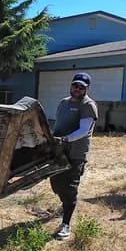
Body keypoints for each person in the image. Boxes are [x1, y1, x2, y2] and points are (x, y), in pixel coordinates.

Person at [49, 72, 98, 240]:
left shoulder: (88, 105)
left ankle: (66, 224)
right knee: (56, 183)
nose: (77, 89)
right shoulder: (63, 102)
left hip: (75, 152)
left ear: (87, 89)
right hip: (59, 150)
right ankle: (65, 205)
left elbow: (84, 130)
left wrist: (66, 139)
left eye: (81, 87)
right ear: (71, 85)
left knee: (70, 187)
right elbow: (58, 124)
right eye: (75, 86)